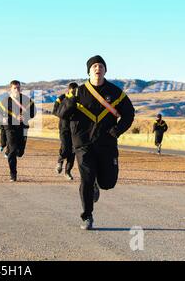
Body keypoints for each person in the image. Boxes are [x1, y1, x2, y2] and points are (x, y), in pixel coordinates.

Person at [57, 55, 135, 230]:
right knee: (86, 178)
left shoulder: (116, 93)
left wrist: (117, 130)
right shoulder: (77, 92)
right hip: (83, 143)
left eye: (100, 66)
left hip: (106, 143)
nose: (97, 68)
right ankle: (87, 216)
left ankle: (97, 184)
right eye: (94, 66)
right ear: (89, 71)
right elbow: (61, 114)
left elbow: (129, 114)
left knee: (109, 182)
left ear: (105, 70)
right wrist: (70, 102)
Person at [0, 80, 37, 182]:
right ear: (10, 89)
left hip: (23, 128)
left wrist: (25, 116)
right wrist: (6, 119)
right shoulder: (4, 102)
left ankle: (10, 149)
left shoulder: (26, 100)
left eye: (18, 88)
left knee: (20, 152)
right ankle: (13, 174)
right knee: (13, 150)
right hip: (10, 128)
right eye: (15, 88)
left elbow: (34, 112)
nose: (17, 90)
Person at [53, 82, 78, 180]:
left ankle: (68, 172)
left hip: (75, 128)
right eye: (73, 90)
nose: (75, 92)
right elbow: (55, 111)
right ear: (69, 89)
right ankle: (60, 160)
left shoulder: (79, 99)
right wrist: (65, 112)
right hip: (64, 127)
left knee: (73, 150)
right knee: (65, 147)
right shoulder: (61, 98)